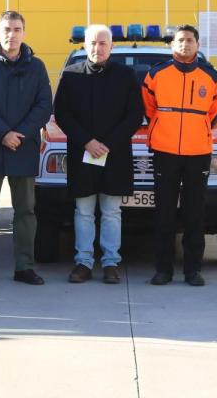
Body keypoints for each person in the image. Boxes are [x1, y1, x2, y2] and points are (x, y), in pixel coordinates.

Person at [0, 11, 52, 287]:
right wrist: (3, 133)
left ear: (24, 33)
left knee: (26, 210)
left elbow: (44, 105)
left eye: (16, 29)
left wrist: (20, 134)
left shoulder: (37, 66)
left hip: (24, 148)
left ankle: (24, 267)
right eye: (6, 29)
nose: (11, 35)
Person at [53, 24, 143, 284]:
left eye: (103, 43)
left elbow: (134, 115)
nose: (97, 48)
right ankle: (83, 262)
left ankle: (111, 263)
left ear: (111, 46)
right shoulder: (71, 75)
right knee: (83, 211)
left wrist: (108, 144)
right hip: (82, 153)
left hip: (114, 154)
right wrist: (87, 142)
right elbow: (62, 114)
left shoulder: (125, 76)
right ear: (85, 45)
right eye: (93, 43)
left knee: (112, 211)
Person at [143, 25, 217, 287]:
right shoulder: (156, 74)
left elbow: (214, 111)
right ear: (172, 44)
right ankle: (163, 270)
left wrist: (196, 128)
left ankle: (193, 271)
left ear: (197, 45)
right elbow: (149, 107)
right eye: (180, 40)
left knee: (195, 214)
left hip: (198, 153)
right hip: (164, 151)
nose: (185, 44)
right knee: (164, 213)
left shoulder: (211, 76)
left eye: (190, 40)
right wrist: (163, 127)